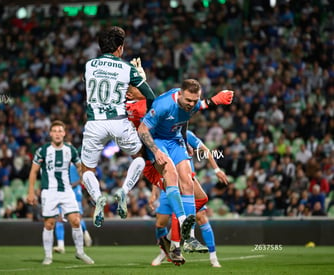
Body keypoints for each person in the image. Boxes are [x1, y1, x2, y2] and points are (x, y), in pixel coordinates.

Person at [137, 79, 233, 264]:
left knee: (187, 181)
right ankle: (174, 238)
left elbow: (185, 120)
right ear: (180, 93)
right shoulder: (164, 104)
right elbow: (142, 129)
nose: (191, 104)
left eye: (194, 100)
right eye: (188, 100)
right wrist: (155, 151)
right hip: (157, 141)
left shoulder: (194, 104)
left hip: (175, 141)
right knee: (171, 174)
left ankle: (188, 238)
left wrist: (184, 140)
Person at [80, 26, 156, 228]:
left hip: (95, 123)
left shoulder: (89, 65)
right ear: (120, 48)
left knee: (86, 169)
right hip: (119, 121)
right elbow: (149, 96)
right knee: (139, 157)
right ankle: (124, 191)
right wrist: (140, 80)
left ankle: (97, 198)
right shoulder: (127, 68)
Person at [151, 130, 229, 267]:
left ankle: (212, 257)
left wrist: (217, 170)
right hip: (167, 185)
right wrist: (153, 192)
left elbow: (205, 151)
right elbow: (157, 168)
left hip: (187, 182)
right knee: (160, 223)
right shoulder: (159, 138)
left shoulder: (186, 135)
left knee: (200, 215)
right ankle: (165, 250)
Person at [27, 120, 94, 265]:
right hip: (49, 191)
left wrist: (84, 178)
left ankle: (80, 252)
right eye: (55, 131)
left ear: (64, 134)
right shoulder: (43, 150)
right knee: (49, 223)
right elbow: (33, 172)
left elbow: (79, 167)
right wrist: (31, 192)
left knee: (76, 220)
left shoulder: (71, 150)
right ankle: (48, 256)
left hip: (67, 190)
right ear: (50, 134)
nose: (57, 134)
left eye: (60, 131)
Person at [54, 163, 93, 254]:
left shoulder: (74, 163)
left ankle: (85, 233)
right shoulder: (60, 164)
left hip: (74, 192)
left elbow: (81, 178)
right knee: (60, 218)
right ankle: (61, 245)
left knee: (76, 217)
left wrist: (71, 185)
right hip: (63, 192)